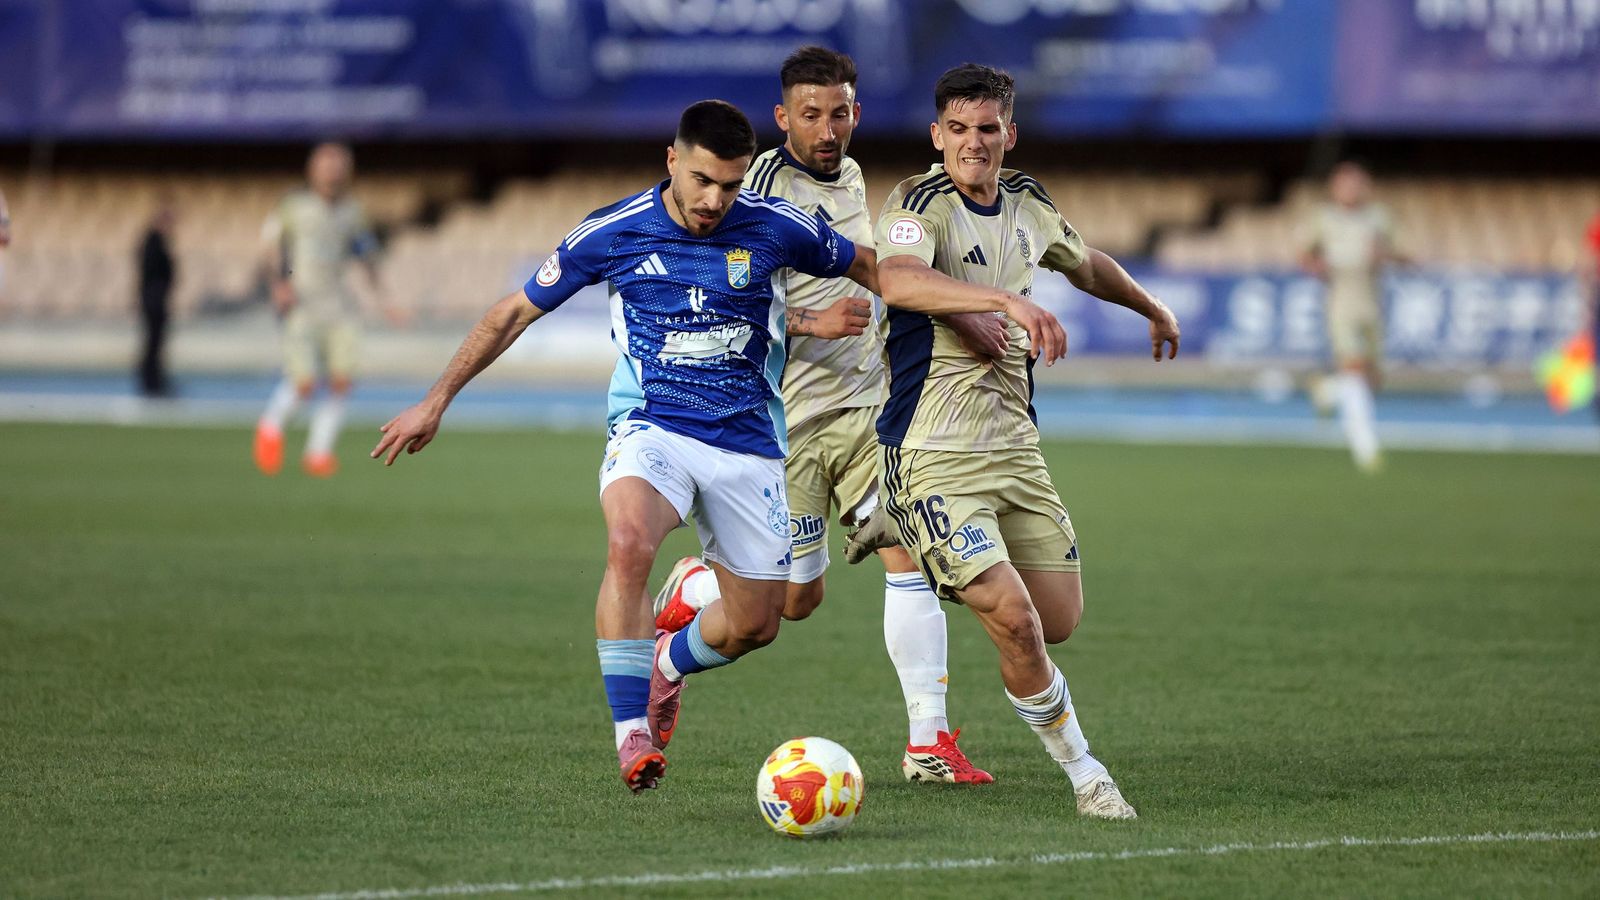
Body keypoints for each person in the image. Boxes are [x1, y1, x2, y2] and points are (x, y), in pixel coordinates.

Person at [370, 102, 1073, 795]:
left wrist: (966, 308)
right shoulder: (615, 230)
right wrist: (436, 400)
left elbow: (878, 270)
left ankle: (668, 658)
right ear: (672, 162)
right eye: (702, 180)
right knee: (628, 542)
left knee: (759, 622)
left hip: (748, 445)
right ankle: (632, 734)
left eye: (730, 185)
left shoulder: (775, 226)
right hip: (654, 427)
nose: (714, 200)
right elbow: (512, 312)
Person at [650, 47, 1005, 785]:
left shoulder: (851, 176)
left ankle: (927, 744)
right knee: (794, 603)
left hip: (869, 412)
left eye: (839, 113)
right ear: (783, 118)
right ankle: (694, 598)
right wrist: (813, 323)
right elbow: (716, 297)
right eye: (810, 115)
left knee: (910, 553)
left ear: (856, 114)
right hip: (788, 423)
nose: (827, 129)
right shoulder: (755, 190)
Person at [869, 64, 1180, 819]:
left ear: (1010, 133)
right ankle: (1087, 776)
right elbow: (898, 280)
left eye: (987, 129)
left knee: (1057, 620)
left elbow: (1086, 263)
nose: (972, 143)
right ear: (936, 134)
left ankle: (929, 549)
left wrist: (1150, 305)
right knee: (1016, 621)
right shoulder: (918, 203)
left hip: (1014, 449)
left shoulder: (1029, 203)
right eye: (957, 129)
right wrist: (1003, 301)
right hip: (931, 453)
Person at [253, 143, 398, 478]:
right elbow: (270, 247)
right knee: (304, 381)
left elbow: (367, 257)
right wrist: (278, 284)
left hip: (340, 306)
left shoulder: (353, 211)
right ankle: (271, 426)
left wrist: (386, 302)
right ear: (312, 169)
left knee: (341, 381)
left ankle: (318, 452)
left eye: (339, 165)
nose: (333, 171)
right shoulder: (293, 206)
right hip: (303, 303)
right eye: (326, 164)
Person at [1299, 160, 1407, 473]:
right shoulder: (1323, 218)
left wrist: (1383, 254)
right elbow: (1304, 254)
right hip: (1341, 302)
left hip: (1371, 301)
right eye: (1344, 184)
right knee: (1354, 366)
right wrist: (1317, 267)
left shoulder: (1378, 218)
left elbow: (1405, 253)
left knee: (1371, 380)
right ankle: (1365, 448)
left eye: (1356, 184)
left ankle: (1328, 390)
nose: (1351, 190)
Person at [136, 196, 177, 398]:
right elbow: (151, 271)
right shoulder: (153, 241)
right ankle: (150, 383)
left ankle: (155, 381)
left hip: (157, 299)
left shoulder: (158, 241)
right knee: (153, 342)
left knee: (156, 342)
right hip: (153, 300)